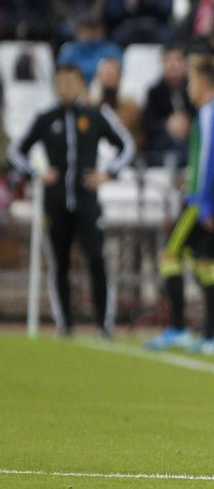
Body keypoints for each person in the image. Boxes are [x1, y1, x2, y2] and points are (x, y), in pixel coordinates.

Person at [7, 64, 134, 336]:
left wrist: (108, 173)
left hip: (87, 200)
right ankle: (65, 324)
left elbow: (126, 146)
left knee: (97, 259)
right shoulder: (45, 117)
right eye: (61, 82)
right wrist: (36, 173)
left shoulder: (95, 115)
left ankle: (104, 324)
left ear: (80, 84)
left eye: (71, 81)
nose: (66, 87)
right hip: (55, 202)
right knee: (59, 262)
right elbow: (16, 151)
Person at [146, 55, 214, 355]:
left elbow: (208, 156)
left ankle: (178, 328)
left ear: (205, 82)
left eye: (192, 81)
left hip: (202, 200)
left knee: (169, 257)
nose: (189, 88)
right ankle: (209, 335)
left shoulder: (209, 113)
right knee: (204, 263)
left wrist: (203, 201)